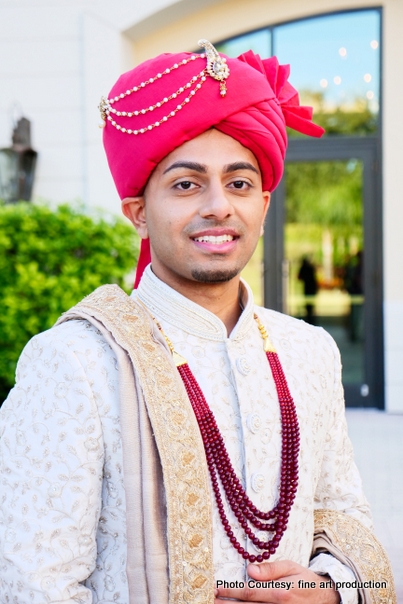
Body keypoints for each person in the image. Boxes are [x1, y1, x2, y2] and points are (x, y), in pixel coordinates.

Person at [0, 40, 395, 604]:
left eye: (239, 183)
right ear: (138, 213)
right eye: (187, 184)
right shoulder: (74, 363)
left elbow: (345, 515)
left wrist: (335, 590)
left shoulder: (309, 351)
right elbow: (31, 583)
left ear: (263, 201)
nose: (218, 206)